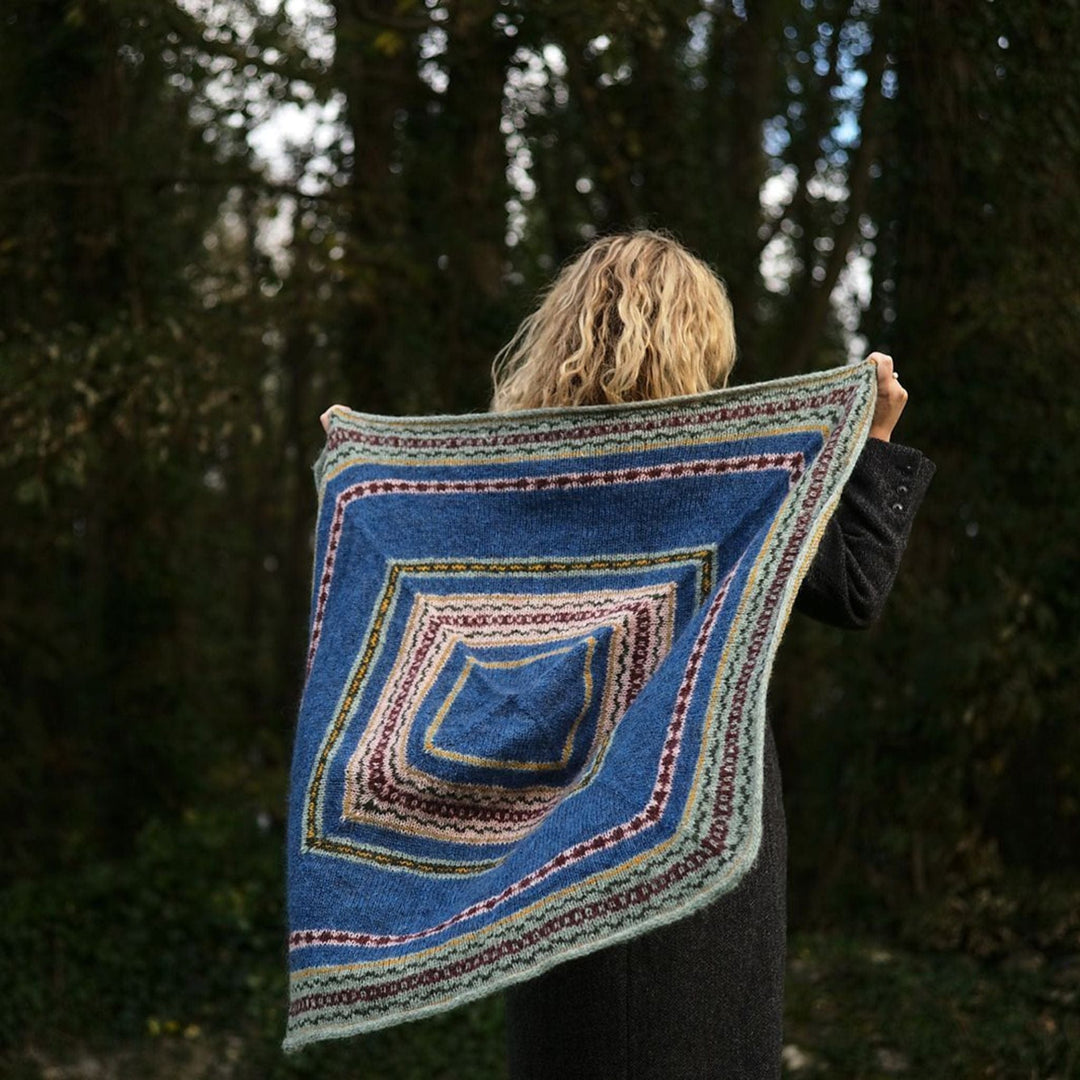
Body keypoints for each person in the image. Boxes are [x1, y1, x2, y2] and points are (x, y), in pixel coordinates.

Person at [320, 230, 935, 1078]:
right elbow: (853, 591)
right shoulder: (737, 471)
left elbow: (402, 553)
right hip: (697, 811)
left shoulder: (512, 481)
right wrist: (868, 438)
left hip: (548, 833)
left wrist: (366, 458)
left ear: (562, 328)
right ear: (698, 340)